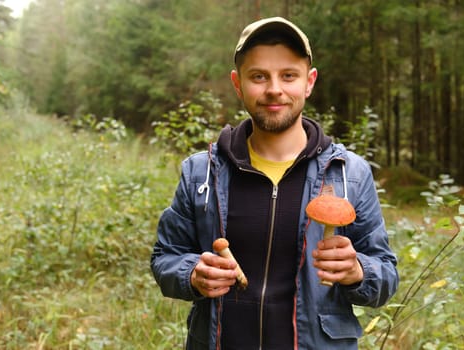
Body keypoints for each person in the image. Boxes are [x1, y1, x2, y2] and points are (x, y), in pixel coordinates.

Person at [150, 16, 399, 350]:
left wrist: (358, 271)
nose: (274, 89)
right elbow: (166, 256)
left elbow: (385, 275)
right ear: (238, 84)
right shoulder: (202, 171)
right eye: (258, 76)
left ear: (309, 82)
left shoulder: (348, 173)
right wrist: (191, 274)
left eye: (288, 76)